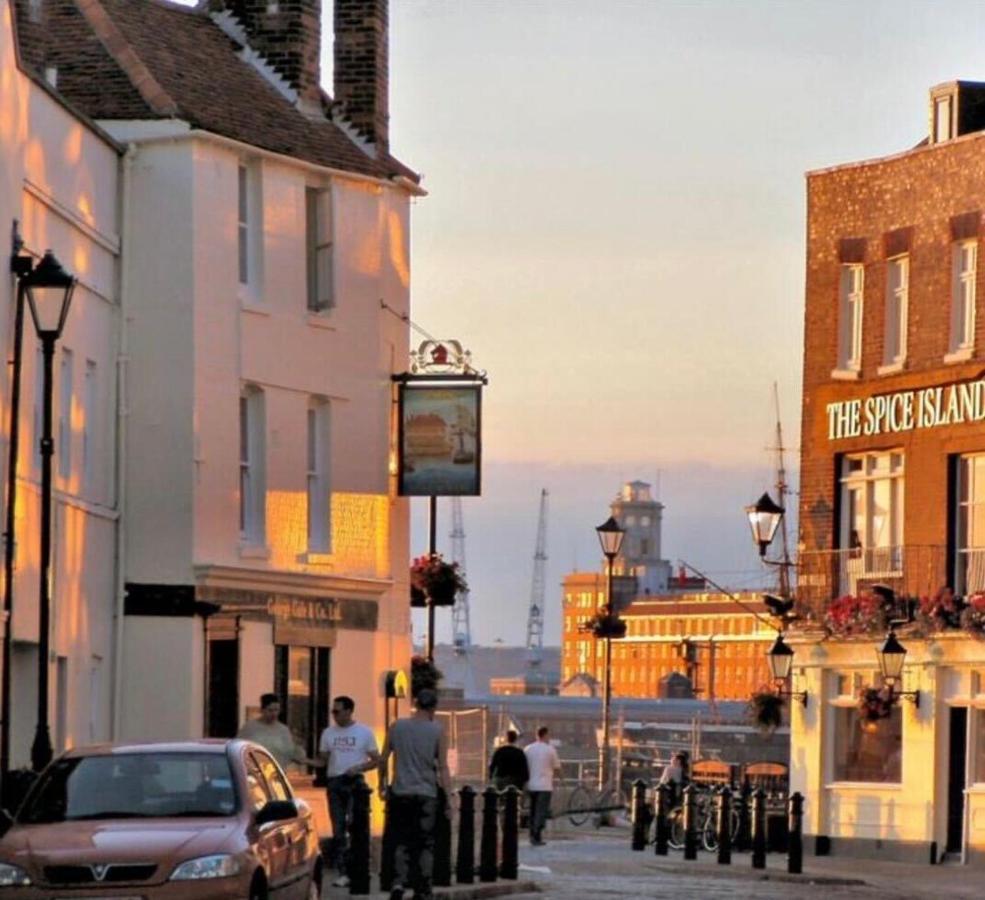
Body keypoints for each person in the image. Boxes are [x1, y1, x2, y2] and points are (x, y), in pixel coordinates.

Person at [378, 688, 451, 900]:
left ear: (416, 704)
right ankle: (423, 887)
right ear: (433, 708)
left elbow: (383, 759)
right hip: (426, 793)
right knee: (425, 843)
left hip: (400, 791)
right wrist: (448, 798)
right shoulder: (437, 730)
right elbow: (443, 767)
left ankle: (398, 883)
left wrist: (383, 785)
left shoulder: (397, 726)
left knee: (400, 839)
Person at [318, 695, 380, 889]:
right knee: (338, 830)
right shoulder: (328, 733)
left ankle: (358, 869)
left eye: (337, 711)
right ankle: (343, 871)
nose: (334, 715)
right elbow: (323, 760)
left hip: (354, 782)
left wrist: (359, 768)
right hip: (335, 781)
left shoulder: (364, 732)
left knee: (356, 827)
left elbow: (376, 759)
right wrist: (301, 760)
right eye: (332, 711)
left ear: (348, 711)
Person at [237, 693, 311, 771]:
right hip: (254, 772)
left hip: (276, 773)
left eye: (276, 710)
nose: (274, 714)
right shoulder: (250, 727)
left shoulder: (283, 730)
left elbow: (291, 752)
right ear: (262, 710)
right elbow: (240, 749)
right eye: (270, 710)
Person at [524, 726, 560, 846]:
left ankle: (531, 834)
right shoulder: (550, 749)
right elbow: (557, 767)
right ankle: (537, 835)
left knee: (533, 810)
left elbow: (524, 766)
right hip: (545, 785)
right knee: (541, 811)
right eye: (548, 735)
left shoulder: (528, 749)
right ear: (544, 735)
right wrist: (560, 780)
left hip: (531, 785)